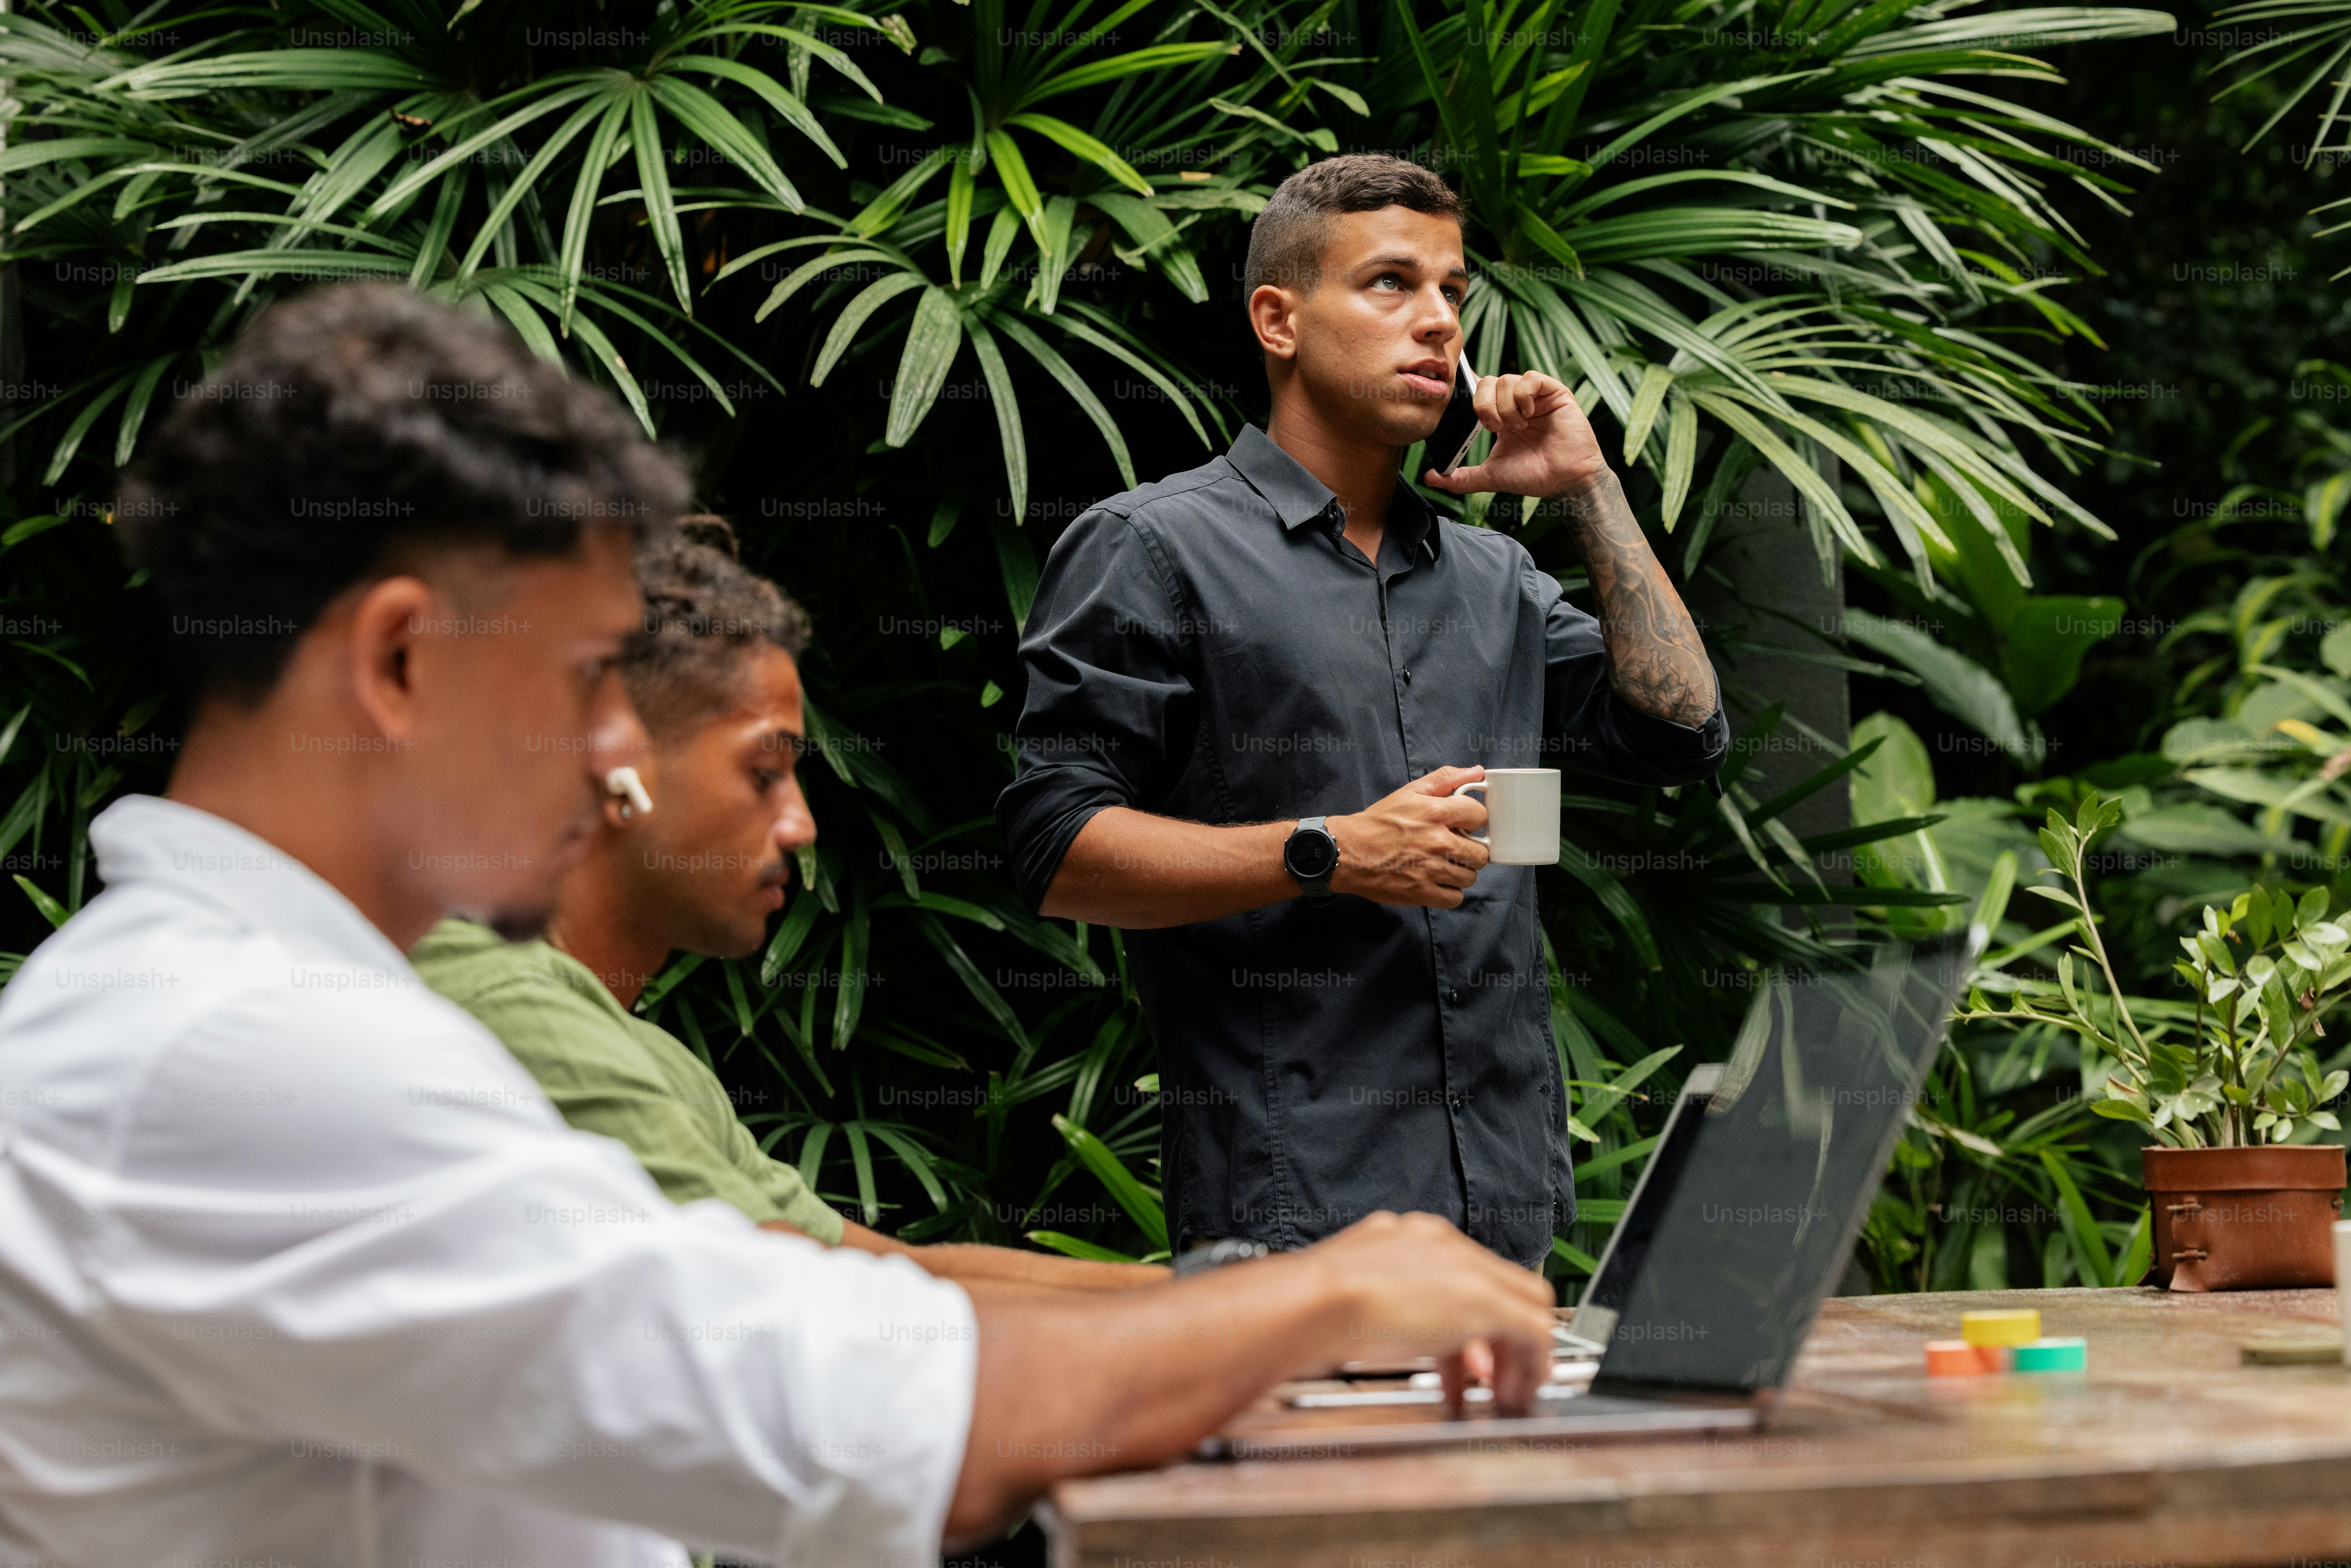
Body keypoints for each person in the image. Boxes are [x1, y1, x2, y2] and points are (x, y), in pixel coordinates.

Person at [0, 282, 1555, 1568]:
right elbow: (852, 1414)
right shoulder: (246, 1055)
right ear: (401, 663)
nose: (618, 750)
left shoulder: (282, 1008)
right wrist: (1323, 1297)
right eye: (585, 675)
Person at [997, 153, 1731, 1272]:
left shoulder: (1496, 584)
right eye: (1391, 283)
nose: (1438, 321)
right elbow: (1052, 852)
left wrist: (1589, 489)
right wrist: (1330, 851)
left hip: (1506, 1218)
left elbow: (1680, 730)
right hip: (1288, 1226)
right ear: (1278, 320)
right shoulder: (1151, 549)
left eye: (1452, 290)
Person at [410, 521, 1164, 1289]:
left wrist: (1245, 1303)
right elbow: (818, 1305)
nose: (803, 826)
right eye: (765, 772)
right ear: (612, 760)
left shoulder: (644, 1052)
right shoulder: (507, 1005)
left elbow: (903, 1272)